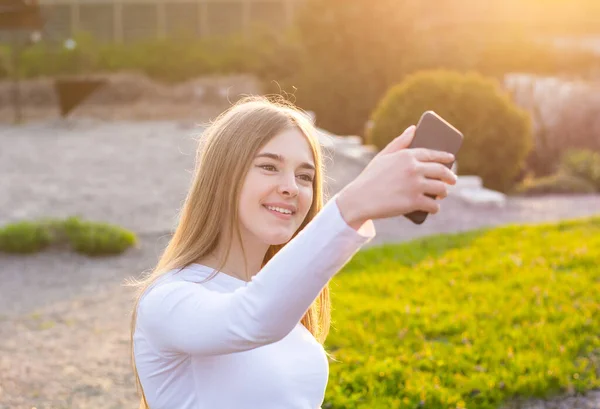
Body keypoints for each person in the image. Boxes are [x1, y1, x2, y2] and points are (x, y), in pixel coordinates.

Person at [127, 95, 457, 409]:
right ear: (222, 176)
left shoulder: (287, 312)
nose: (291, 187)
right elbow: (250, 319)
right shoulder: (167, 299)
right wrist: (355, 204)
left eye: (304, 176)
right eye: (269, 167)